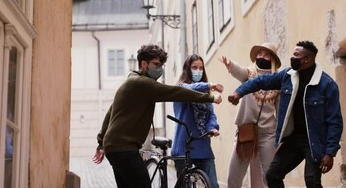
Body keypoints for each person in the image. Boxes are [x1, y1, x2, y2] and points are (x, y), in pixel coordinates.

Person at [92, 44, 222, 188]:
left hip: (115, 148)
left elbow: (110, 113)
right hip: (124, 148)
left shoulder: (131, 82)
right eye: (156, 64)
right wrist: (210, 98)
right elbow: (176, 92)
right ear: (144, 64)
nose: (159, 68)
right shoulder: (141, 83)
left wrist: (101, 143)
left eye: (161, 65)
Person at [228, 41, 343, 188]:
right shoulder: (288, 76)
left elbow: (335, 121)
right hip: (294, 139)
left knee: (312, 180)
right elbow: (261, 81)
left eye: (296, 55)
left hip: (315, 140)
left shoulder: (327, 85)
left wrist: (330, 153)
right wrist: (239, 92)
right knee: (272, 175)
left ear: (307, 59)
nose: (292, 58)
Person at [221, 43, 281, 188]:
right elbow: (239, 71)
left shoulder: (278, 81)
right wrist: (230, 64)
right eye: (259, 54)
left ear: (272, 59)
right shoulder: (249, 74)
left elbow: (280, 111)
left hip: (268, 134)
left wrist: (281, 135)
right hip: (245, 132)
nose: (262, 57)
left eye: (266, 55)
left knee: (270, 176)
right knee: (234, 176)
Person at [172, 54, 223, 188]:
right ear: (187, 69)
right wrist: (210, 85)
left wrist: (212, 128)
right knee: (185, 185)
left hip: (203, 145)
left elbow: (211, 114)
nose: (198, 71)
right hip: (184, 147)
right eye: (194, 67)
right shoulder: (180, 88)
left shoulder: (205, 94)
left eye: (201, 68)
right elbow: (190, 89)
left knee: (213, 185)